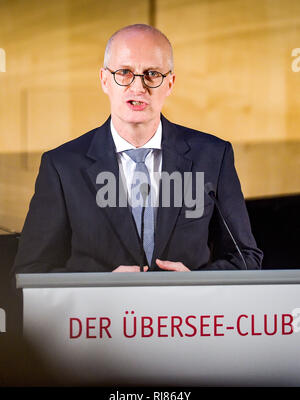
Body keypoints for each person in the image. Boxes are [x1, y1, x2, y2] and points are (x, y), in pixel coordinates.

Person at [12, 24, 263, 274]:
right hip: (100, 313)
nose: (138, 87)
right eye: (124, 72)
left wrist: (194, 284)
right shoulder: (62, 166)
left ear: (171, 83)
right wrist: (100, 287)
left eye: (152, 74)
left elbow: (246, 257)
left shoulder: (212, 157)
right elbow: (31, 270)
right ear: (104, 80)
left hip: (184, 313)